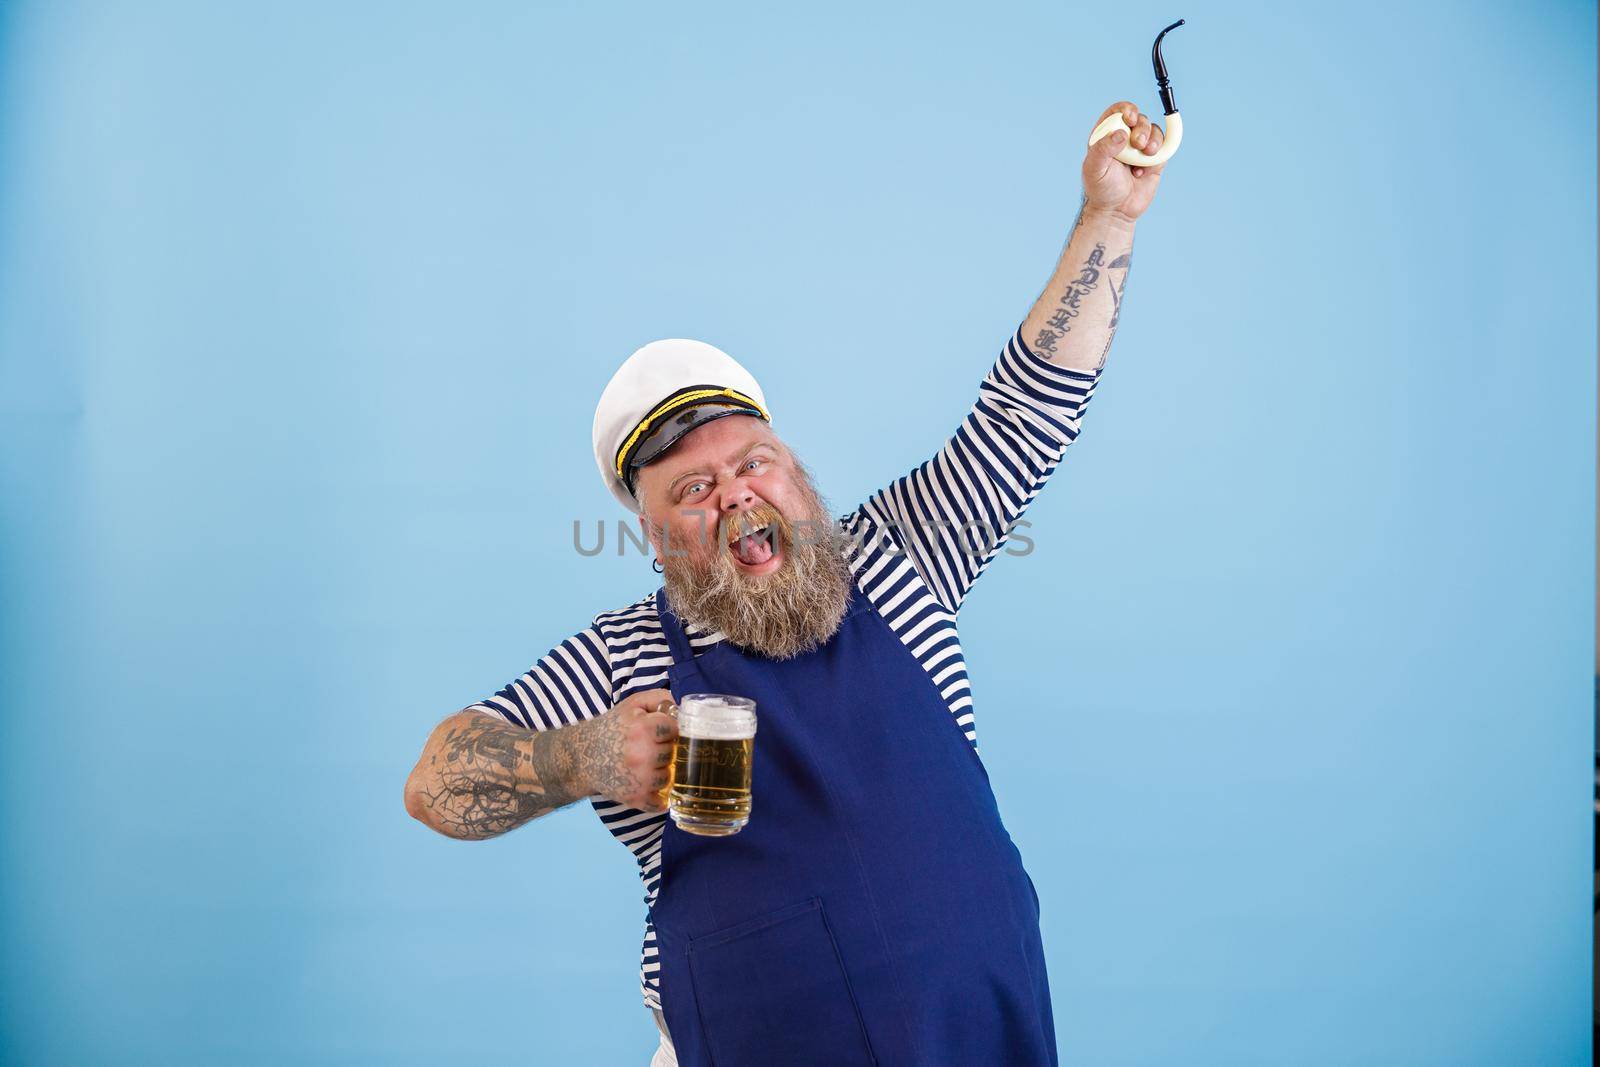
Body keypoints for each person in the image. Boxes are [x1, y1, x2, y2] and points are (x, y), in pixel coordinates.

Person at [403, 101, 1168, 1067]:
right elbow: (435, 782)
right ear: (654, 538)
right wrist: (586, 758)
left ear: (796, 475)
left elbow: (1029, 407)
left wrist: (1110, 219)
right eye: (694, 488)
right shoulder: (621, 654)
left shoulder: (899, 557)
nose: (735, 496)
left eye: (754, 462)